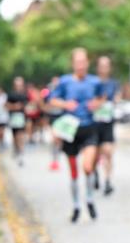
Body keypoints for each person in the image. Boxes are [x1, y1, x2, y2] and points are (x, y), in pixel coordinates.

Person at [49, 48, 105, 223]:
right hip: (70, 130)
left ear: (87, 63)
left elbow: (102, 98)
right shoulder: (65, 81)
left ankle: (89, 198)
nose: (81, 65)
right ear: (73, 64)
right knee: (73, 172)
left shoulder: (95, 81)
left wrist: (96, 104)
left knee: (87, 167)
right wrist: (66, 104)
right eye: (77, 62)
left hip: (89, 128)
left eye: (83, 62)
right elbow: (52, 100)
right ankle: (76, 206)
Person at [94, 56, 121, 195]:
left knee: (108, 152)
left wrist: (116, 100)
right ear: (97, 67)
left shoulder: (114, 83)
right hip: (94, 123)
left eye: (107, 65)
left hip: (108, 123)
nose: (104, 68)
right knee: (95, 154)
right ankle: (95, 173)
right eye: (102, 65)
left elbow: (117, 97)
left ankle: (108, 181)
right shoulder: (92, 82)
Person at [6, 77, 29, 166]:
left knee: (20, 136)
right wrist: (14, 106)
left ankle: (21, 154)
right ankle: (16, 149)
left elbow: (28, 105)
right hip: (13, 117)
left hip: (22, 118)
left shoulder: (25, 94)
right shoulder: (11, 94)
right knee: (15, 136)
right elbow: (7, 105)